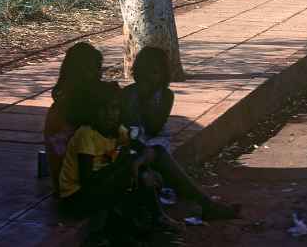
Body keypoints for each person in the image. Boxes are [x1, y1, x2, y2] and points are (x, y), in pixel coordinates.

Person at [121, 46, 240, 221]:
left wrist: (148, 101)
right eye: (146, 73)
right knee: (157, 158)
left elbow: (154, 127)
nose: (150, 78)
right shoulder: (128, 93)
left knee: (159, 153)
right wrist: (137, 99)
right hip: (132, 144)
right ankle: (206, 204)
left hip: (153, 141)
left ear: (162, 75)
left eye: (155, 73)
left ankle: (204, 204)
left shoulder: (166, 96)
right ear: (138, 72)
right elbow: (128, 130)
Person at [59, 80, 168, 243]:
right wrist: (125, 166)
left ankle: (149, 221)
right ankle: (137, 226)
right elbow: (87, 180)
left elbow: (147, 150)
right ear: (93, 111)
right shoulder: (86, 135)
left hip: (100, 187)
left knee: (143, 170)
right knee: (128, 172)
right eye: (104, 109)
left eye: (115, 108)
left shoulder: (118, 131)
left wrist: (137, 165)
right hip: (76, 197)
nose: (110, 114)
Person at [43, 42, 103, 192]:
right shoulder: (67, 108)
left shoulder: (83, 98)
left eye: (99, 69)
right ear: (77, 73)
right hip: (73, 183)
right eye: (93, 69)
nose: (98, 74)